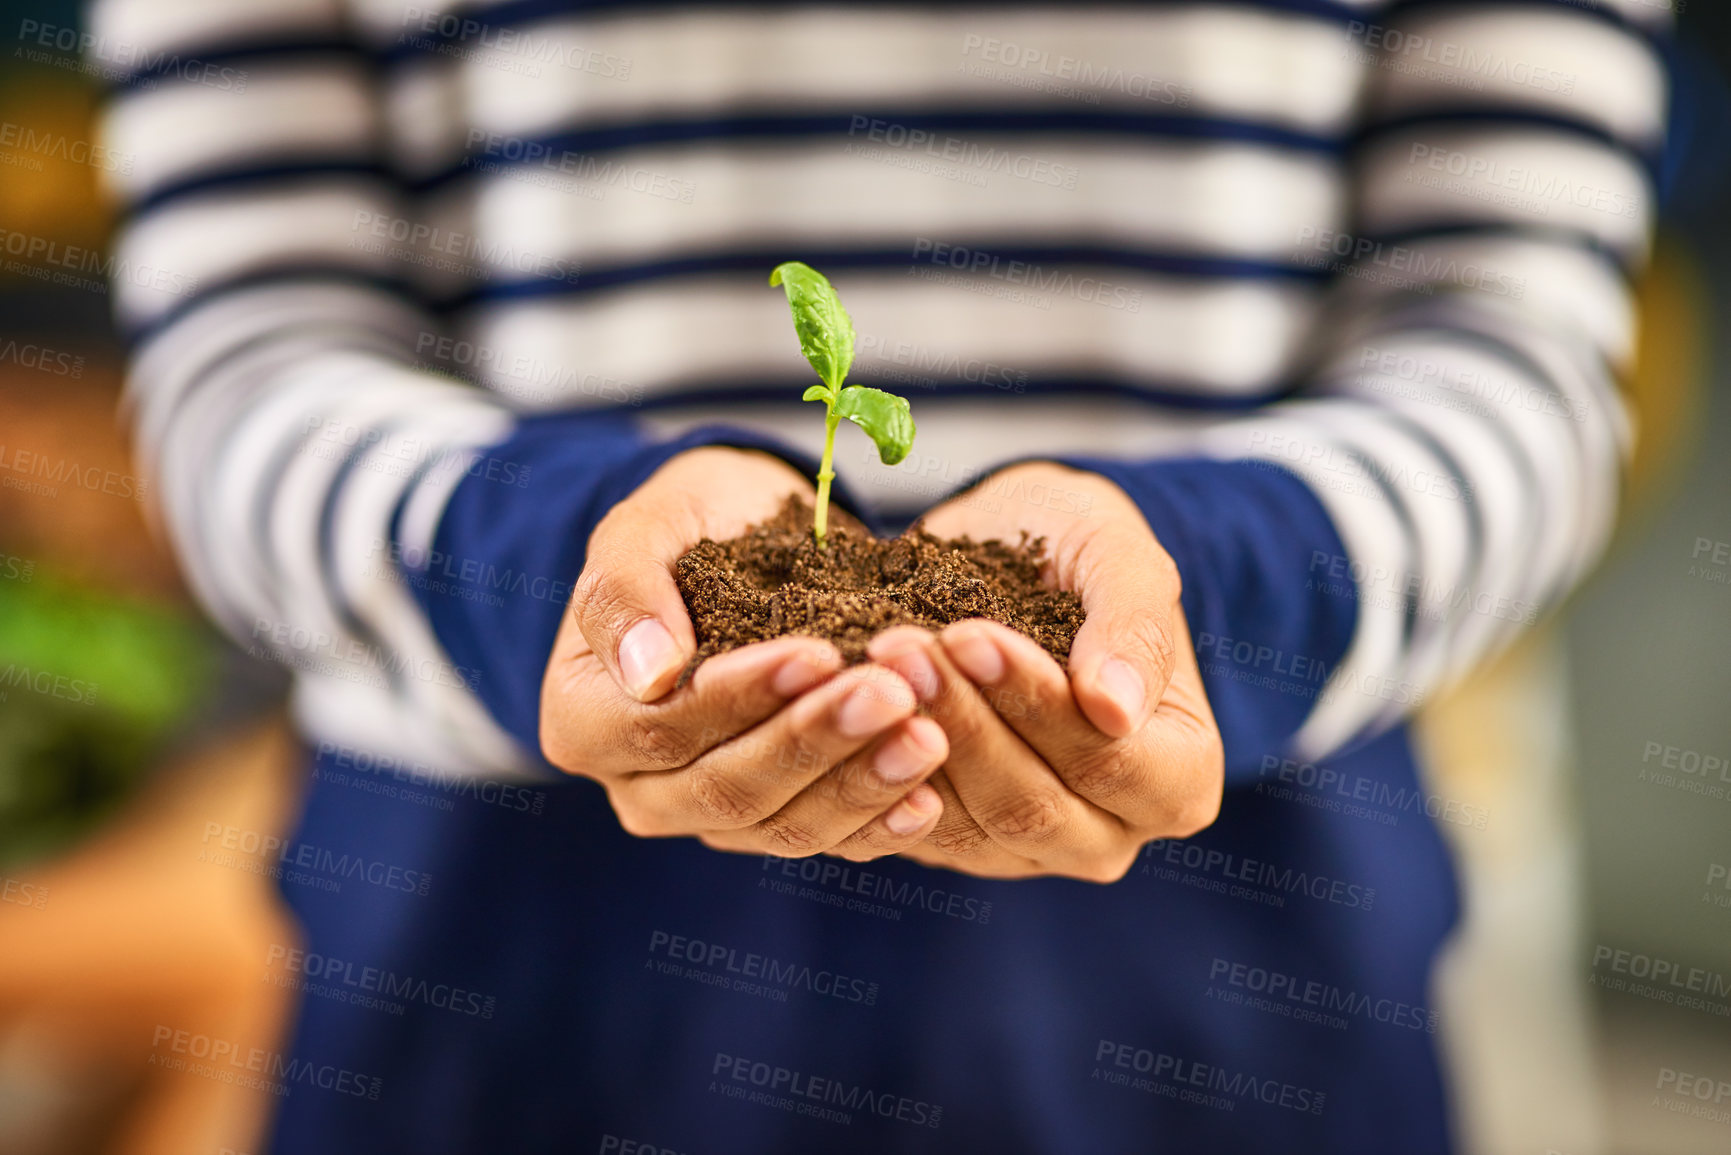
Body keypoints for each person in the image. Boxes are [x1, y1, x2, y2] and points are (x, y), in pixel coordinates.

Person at [91, 0, 1670, 1150]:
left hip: (1225, 968)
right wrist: (561, 562)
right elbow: (251, 352)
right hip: (508, 958)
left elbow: (1511, 345)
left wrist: (1207, 584)